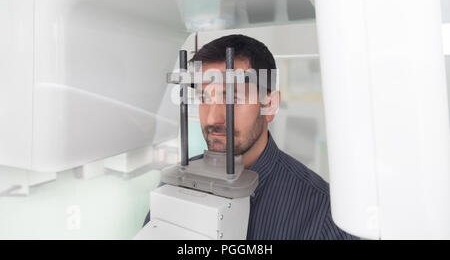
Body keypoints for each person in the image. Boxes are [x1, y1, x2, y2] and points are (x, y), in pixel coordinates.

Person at [144, 34, 358, 240]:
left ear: (270, 105)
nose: (212, 118)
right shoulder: (175, 183)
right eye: (204, 98)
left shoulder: (322, 213)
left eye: (233, 98)